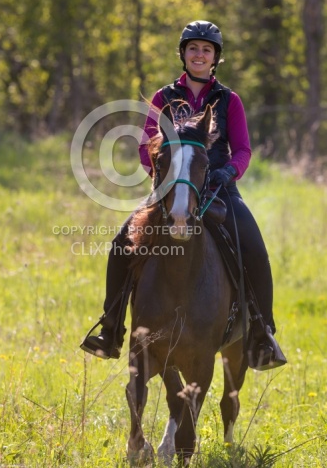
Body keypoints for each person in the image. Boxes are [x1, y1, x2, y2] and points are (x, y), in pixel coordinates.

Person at [80, 20, 287, 371]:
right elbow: (147, 146)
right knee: (120, 242)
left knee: (254, 246)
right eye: (194, 48)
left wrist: (227, 172)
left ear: (215, 58)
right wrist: (163, 179)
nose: (200, 54)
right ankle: (111, 326)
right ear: (183, 53)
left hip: (220, 188)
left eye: (207, 50)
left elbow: (243, 150)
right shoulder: (164, 98)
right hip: (170, 190)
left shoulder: (229, 100)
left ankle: (262, 334)